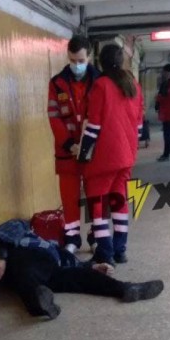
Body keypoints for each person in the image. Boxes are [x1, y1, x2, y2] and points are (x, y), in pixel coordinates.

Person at [0, 219, 164, 319]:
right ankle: (39, 303)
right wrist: (0, 257)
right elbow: (1, 237)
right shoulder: (20, 227)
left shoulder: (50, 244)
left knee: (82, 277)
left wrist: (92, 266)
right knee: (26, 274)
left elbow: (71, 260)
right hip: (23, 259)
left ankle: (126, 288)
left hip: (51, 269)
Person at [77, 44, 144, 265]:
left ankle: (104, 254)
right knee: (119, 201)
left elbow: (94, 126)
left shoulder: (101, 86)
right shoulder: (133, 85)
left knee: (98, 206)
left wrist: (83, 153)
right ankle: (120, 250)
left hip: (104, 157)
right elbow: (139, 126)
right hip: (127, 155)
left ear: (100, 62)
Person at [47, 36, 100, 253]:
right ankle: (72, 238)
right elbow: (54, 116)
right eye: (72, 60)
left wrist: (88, 144)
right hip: (66, 152)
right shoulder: (57, 83)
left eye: (80, 60)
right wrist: (70, 145)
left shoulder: (100, 82)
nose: (76, 65)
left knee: (96, 196)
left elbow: (103, 116)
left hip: (93, 152)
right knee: (69, 197)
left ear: (89, 56)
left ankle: (96, 237)